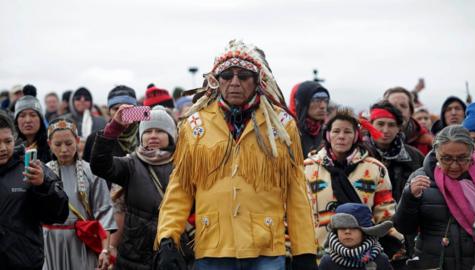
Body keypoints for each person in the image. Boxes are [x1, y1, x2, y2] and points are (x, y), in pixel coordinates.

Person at [153, 40, 317, 270]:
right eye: (227, 75)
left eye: (243, 76)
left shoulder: (281, 125)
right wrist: (168, 238)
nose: (235, 83)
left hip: (266, 250)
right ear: (216, 81)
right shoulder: (194, 125)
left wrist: (305, 251)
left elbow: (296, 191)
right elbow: (180, 188)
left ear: (257, 80)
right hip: (213, 248)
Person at [304, 108, 403, 261]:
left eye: (348, 132)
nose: (341, 137)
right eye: (336, 131)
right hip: (318, 253)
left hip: (363, 254)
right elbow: (296, 212)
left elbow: (385, 213)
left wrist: (395, 244)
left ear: (356, 135)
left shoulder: (375, 169)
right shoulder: (307, 168)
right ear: (328, 135)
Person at [91, 106, 183, 270]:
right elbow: (99, 165)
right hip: (134, 257)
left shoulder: (184, 165)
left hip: (175, 254)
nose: (153, 135)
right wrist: (115, 127)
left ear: (171, 136)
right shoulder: (131, 164)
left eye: (160, 131)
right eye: (148, 131)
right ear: (141, 136)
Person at [394, 125, 475, 270]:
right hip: (433, 262)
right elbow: (405, 228)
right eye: (446, 158)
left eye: (462, 158)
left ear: (472, 153)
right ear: (436, 153)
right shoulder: (420, 179)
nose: (454, 165)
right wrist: (410, 198)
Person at [42, 118, 117, 270]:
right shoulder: (42, 172)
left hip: (83, 240)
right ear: (49, 144)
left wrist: (104, 249)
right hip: (49, 242)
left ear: (77, 140)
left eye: (69, 143)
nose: (64, 150)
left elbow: (104, 212)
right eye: (57, 144)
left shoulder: (91, 172)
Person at [0, 111, 69, 269]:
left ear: (15, 139)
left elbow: (58, 214)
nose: (3, 148)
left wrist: (43, 185)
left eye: (7, 141)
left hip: (24, 262)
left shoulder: (33, 168)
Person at [82, 85, 140, 267]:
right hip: (106, 216)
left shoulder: (146, 134)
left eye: (128, 109)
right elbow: (88, 176)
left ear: (137, 110)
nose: (122, 114)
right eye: (116, 109)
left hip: (139, 215)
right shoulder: (96, 139)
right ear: (109, 112)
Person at [366, 101, 424, 203]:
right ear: (370, 125)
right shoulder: (359, 155)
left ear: (399, 128)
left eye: (391, 125)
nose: (385, 130)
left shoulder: (415, 157)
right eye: (380, 124)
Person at [318, 203, 393, 270]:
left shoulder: (380, 260)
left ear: (365, 232)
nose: (347, 232)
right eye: (342, 227)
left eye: (353, 228)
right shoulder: (327, 261)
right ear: (335, 231)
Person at [383, 87, 433, 155]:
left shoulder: (429, 142)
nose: (398, 110)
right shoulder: (370, 140)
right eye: (392, 106)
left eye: (403, 106)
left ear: (411, 112)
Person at [295, 80, 331, 158]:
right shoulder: (291, 134)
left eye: (326, 100)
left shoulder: (329, 133)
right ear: (304, 104)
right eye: (317, 100)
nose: (323, 106)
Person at [14, 95, 52, 163]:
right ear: (16, 121)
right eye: (22, 116)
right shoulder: (11, 148)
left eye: (33, 115)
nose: (28, 120)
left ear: (41, 120)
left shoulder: (51, 146)